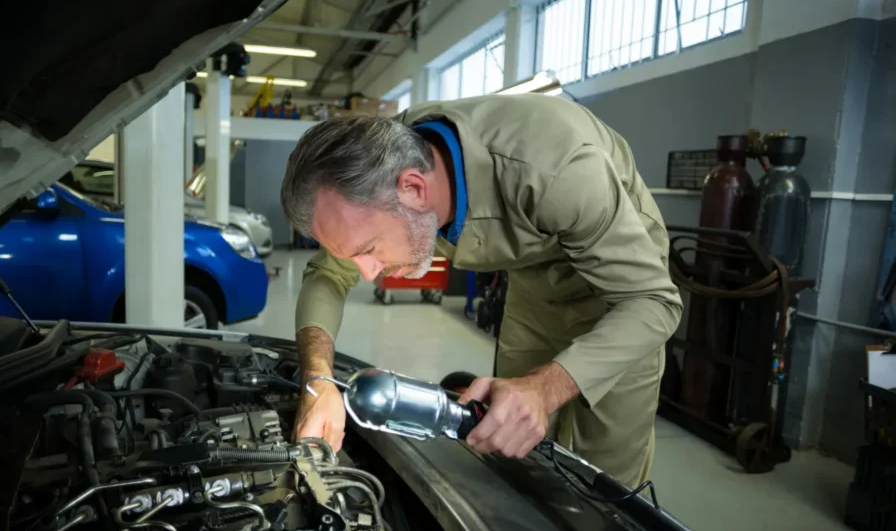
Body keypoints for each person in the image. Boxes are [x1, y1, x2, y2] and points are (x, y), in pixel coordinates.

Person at [279, 93, 682, 488]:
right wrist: (319, 382)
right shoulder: (372, 162)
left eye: (368, 250)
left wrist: (545, 388)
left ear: (414, 190)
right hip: (534, 275)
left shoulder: (558, 168)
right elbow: (328, 275)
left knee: (607, 476)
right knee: (514, 438)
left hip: (624, 292)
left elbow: (654, 302)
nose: (365, 273)